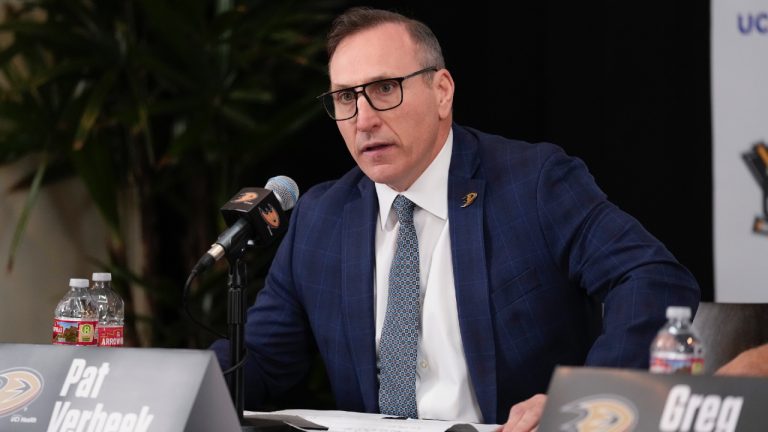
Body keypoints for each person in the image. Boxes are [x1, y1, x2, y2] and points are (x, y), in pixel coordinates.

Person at [212, 6, 699, 431]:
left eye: (385, 88)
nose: (363, 119)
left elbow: (652, 278)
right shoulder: (323, 217)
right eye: (345, 97)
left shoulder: (533, 184)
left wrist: (583, 405)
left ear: (442, 91)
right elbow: (260, 362)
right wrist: (164, 389)